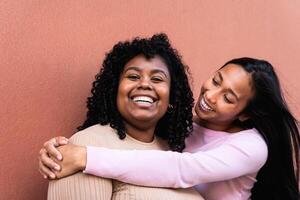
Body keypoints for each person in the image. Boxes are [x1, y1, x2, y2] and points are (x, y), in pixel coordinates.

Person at [39, 58, 300, 200]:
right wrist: (57, 150)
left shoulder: (251, 147)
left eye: (228, 98)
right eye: (216, 80)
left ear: (245, 114)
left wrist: (86, 157)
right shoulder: (183, 123)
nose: (210, 95)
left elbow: (181, 169)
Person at [40, 33, 205, 200]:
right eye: (133, 76)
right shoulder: (85, 147)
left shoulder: (176, 152)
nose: (145, 84)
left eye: (157, 79)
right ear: (115, 89)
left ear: (171, 97)